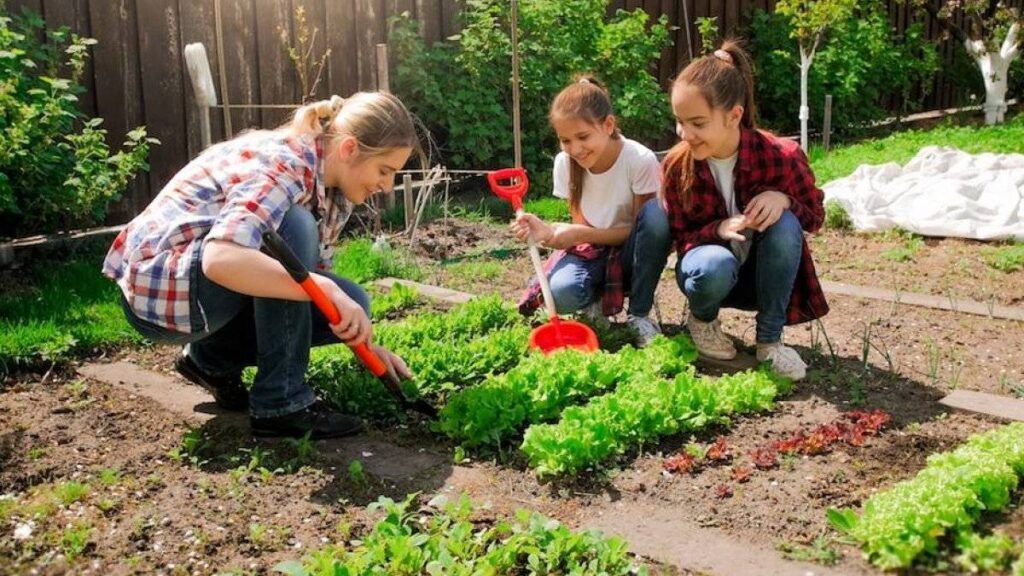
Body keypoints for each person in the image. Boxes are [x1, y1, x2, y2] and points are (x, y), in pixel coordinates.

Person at [102, 92, 424, 438]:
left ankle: (209, 360)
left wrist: (364, 347)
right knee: (294, 226)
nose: (387, 186)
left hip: (200, 290)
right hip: (163, 291)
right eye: (384, 171)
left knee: (352, 302)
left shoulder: (333, 187)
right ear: (348, 149)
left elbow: (310, 276)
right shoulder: (285, 166)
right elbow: (220, 259)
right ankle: (281, 402)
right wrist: (325, 287)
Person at [662, 41, 829, 380]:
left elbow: (815, 217)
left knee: (785, 224)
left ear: (734, 115)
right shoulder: (677, 165)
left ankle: (770, 342)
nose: (685, 134)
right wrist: (718, 229)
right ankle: (703, 321)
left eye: (698, 123)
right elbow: (680, 237)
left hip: (762, 278)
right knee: (713, 264)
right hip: (710, 275)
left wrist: (784, 200)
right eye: (680, 122)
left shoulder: (781, 156)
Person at [513, 77, 671, 346]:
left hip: (634, 254)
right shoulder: (565, 163)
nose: (575, 149)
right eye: (565, 140)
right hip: (593, 251)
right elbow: (581, 229)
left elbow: (642, 232)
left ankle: (639, 315)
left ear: (608, 125)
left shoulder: (638, 160)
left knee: (658, 216)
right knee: (561, 292)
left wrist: (579, 234)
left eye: (583, 137)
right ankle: (592, 303)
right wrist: (547, 232)